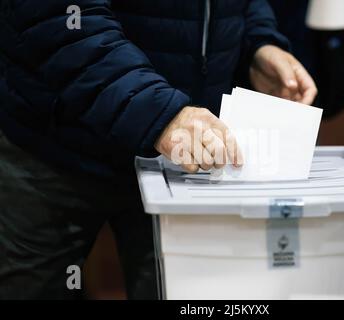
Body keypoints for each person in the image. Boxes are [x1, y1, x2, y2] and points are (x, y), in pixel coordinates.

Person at [0, 1, 317, 299]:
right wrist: (157, 111)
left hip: (179, 160)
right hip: (57, 146)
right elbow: (58, 18)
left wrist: (257, 40)